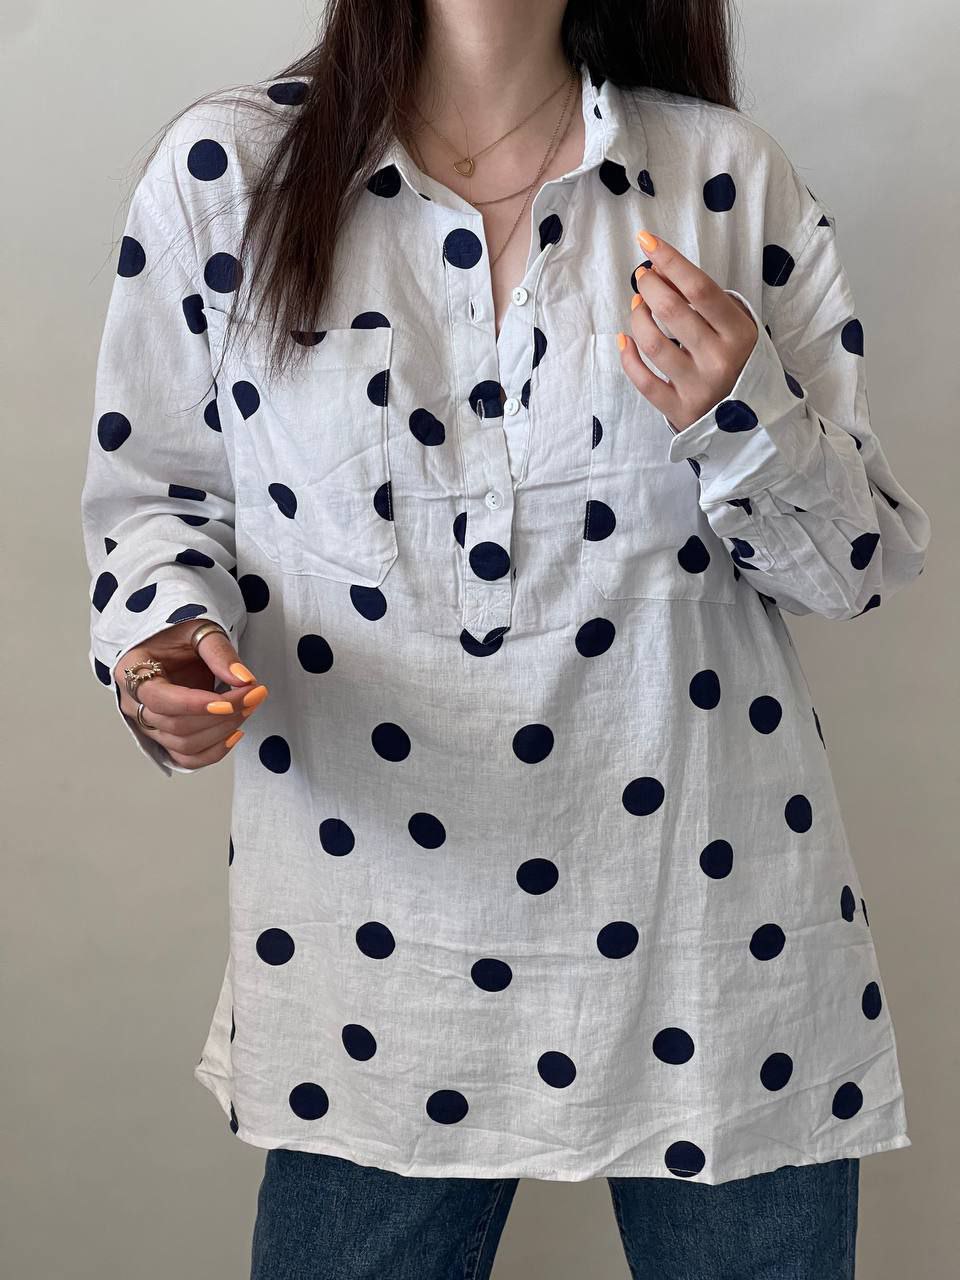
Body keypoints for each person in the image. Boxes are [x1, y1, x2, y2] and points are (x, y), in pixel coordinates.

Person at [80, 1, 931, 1275]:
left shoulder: (723, 177)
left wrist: (742, 412)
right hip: (372, 958)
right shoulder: (231, 174)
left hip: (713, 938)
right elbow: (157, 499)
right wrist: (165, 649)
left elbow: (852, 570)